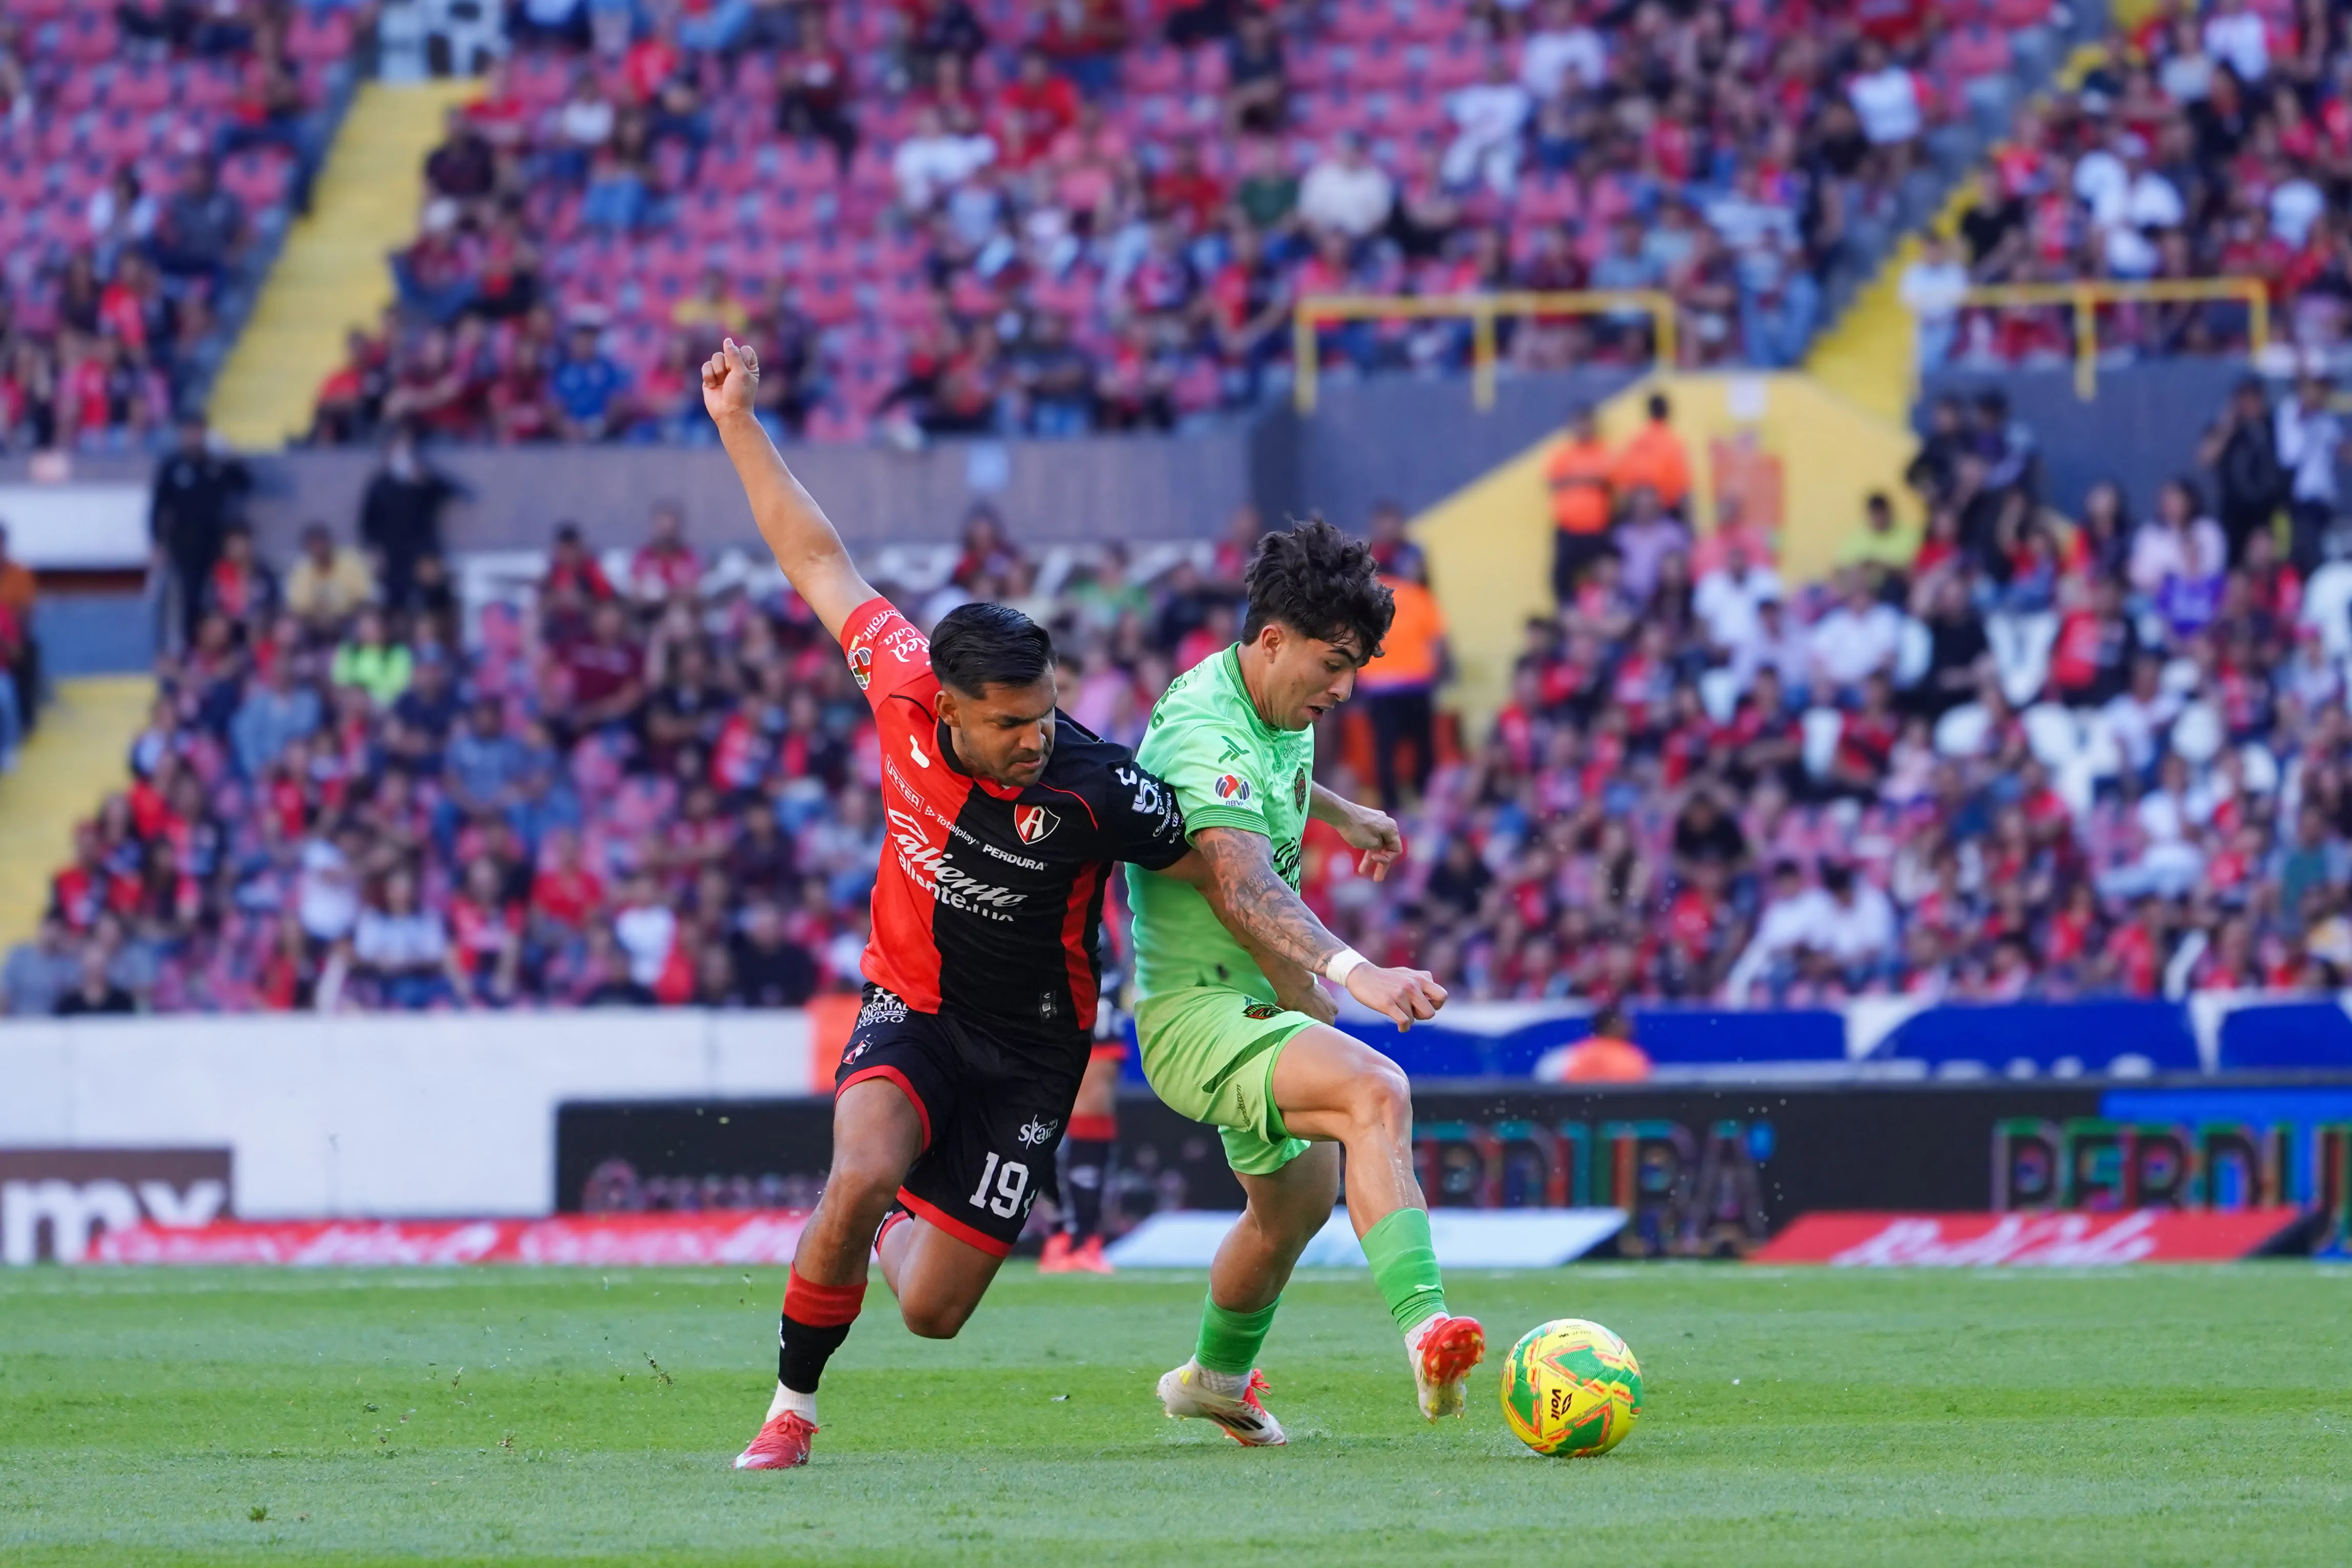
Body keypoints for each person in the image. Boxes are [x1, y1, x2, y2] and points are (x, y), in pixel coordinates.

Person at [703, 338, 1198, 1473]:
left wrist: (1331, 836)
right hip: (912, 1004)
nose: (1039, 738)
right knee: (861, 1168)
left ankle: (878, 1226)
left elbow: (1212, 852)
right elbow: (816, 557)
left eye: (1049, 715)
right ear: (954, 708)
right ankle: (791, 1411)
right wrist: (737, 421)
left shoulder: (1097, 784)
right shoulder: (900, 678)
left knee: (933, 1311)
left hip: (1033, 1051)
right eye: (1014, 723)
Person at [1126, 518, 1472, 1447]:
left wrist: (1343, 811)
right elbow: (1241, 879)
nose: (1346, 688)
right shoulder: (1206, 729)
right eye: (1335, 663)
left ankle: (1213, 1381)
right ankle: (1430, 1332)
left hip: (1264, 1002)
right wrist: (1357, 971)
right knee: (1376, 1089)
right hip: (1198, 1011)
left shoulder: (1266, 697)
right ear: (1273, 639)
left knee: (1292, 1211)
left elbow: (1270, 771)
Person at [1357, 550, 1448, 812]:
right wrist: (1434, 676)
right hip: (1416, 683)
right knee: (1423, 746)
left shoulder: (1368, 599)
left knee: (1385, 750)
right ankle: (1427, 797)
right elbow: (1437, 643)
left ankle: (1390, 804)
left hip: (1379, 686)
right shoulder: (1420, 595)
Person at [149, 418, 251, 647]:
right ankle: (192, 648)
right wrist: (157, 542)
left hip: (216, 544)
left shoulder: (216, 465)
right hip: (184, 545)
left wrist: (232, 457)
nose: (194, 437)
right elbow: (159, 508)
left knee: (222, 597)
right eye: (190, 432)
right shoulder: (173, 466)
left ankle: (227, 647)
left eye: (198, 432)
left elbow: (244, 484)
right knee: (190, 597)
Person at [358, 429, 459, 614]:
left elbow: (452, 492)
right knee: (395, 604)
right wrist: (373, 550)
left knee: (433, 599)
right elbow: (367, 523)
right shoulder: (379, 485)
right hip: (393, 555)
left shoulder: (424, 480)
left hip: (423, 551)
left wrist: (425, 479)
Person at [1546, 406, 1615, 605]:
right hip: (1569, 529)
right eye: (1578, 423)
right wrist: (1588, 480)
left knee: (1603, 577)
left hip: (1597, 529)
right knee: (1561, 577)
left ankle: (1602, 612)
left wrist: (1574, 481)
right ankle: (1568, 616)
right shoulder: (1562, 455)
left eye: (1587, 423)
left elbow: (1607, 482)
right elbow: (1553, 483)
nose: (1583, 428)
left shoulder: (1603, 452)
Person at [2275, 373, 2341, 575]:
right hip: (2301, 500)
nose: (2321, 394)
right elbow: (2288, 457)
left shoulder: (2327, 419)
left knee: (2329, 553)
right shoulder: (2289, 412)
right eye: (2317, 388)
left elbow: (2341, 448)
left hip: (2326, 501)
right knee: (2308, 558)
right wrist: (2305, 418)